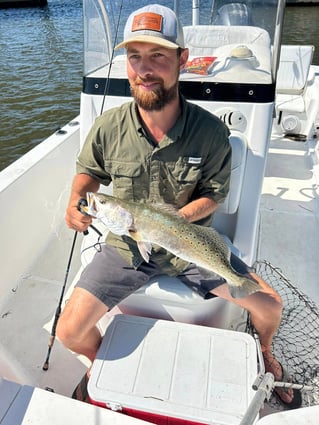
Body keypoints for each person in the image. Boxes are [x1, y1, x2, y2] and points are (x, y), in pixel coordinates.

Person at [56, 4, 301, 408]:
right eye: (134, 57)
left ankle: (267, 355)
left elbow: (215, 194)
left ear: (181, 61)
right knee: (68, 331)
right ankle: (100, 366)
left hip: (190, 246)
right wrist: (74, 202)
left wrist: (174, 223)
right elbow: (88, 174)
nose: (144, 69)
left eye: (157, 56)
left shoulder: (210, 132)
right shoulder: (108, 127)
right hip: (127, 248)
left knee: (269, 305)